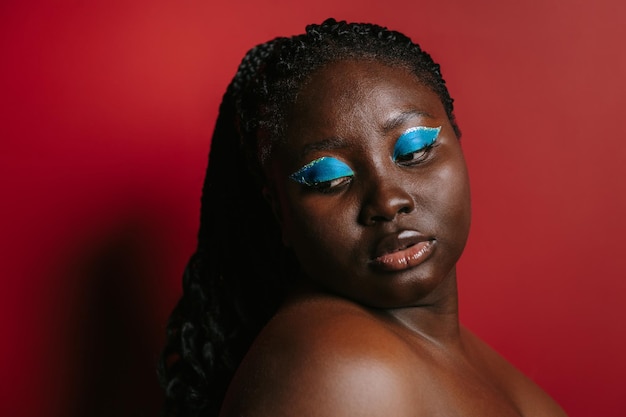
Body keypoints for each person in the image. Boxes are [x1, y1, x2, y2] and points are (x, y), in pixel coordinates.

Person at [158, 18, 568, 417]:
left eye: (413, 151)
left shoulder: (452, 351)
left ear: (457, 140)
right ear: (279, 210)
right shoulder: (343, 369)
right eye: (329, 178)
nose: (388, 201)